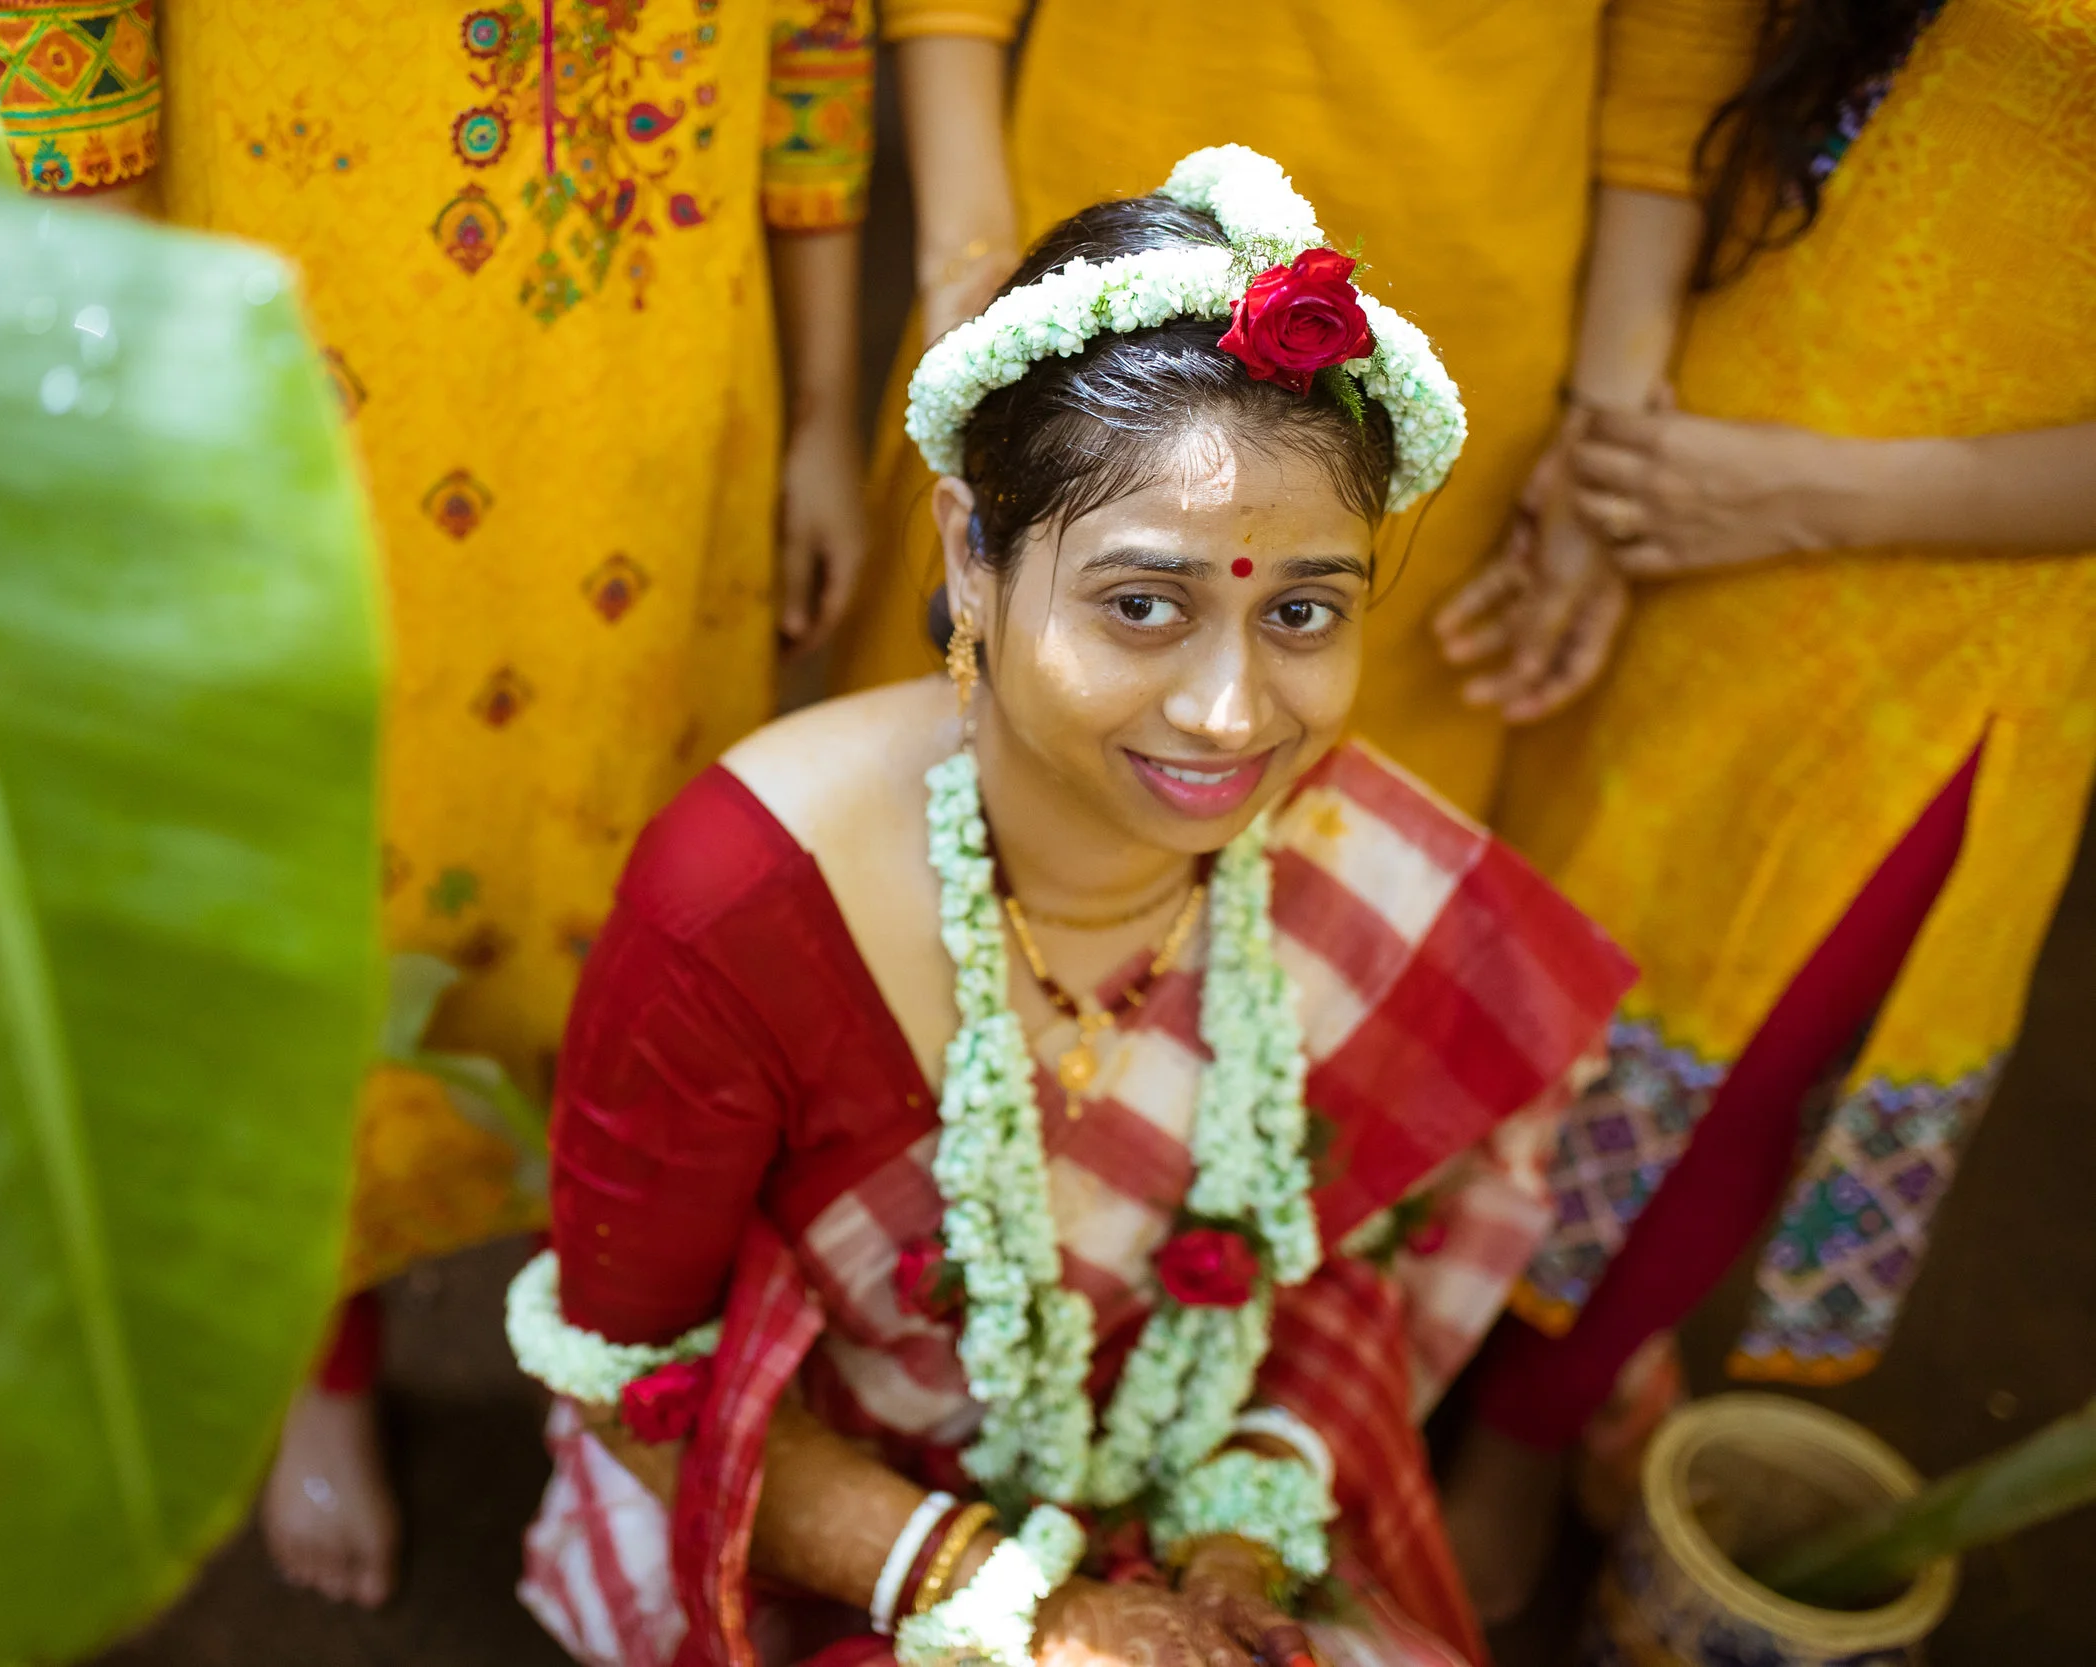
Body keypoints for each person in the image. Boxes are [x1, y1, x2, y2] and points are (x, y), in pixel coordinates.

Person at [505, 150, 1637, 1667]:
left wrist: (1236, 1538)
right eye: (1142, 603)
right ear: (973, 550)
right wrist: (1029, 1607)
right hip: (829, 1530)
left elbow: (1336, 1256)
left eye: (1301, 610)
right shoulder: (741, 905)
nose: (1234, 714)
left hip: (1191, 1471)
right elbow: (634, 1383)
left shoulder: (1332, 845)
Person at [0, 0, 879, 1607]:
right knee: (308, 899)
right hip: (298, 357)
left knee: (641, 898)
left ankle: (615, 1341)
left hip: (654, 385)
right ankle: (321, 1340)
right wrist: (129, 380)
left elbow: (816, 28)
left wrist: (820, 404)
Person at [1434, 0, 2096, 1619]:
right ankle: (1376, 1364)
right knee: (1504, 969)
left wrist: (1795, 493)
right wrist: (1618, 444)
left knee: (1730, 1066)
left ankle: (1510, 1451)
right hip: (1665, 445)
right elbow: (1683, 38)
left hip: (1955, 595)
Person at [826, 0, 1754, 819]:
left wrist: (1606, 438)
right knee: (955, 784)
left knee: (1324, 852)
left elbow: (1677, 58)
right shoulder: (1030, 331)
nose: (1221, 715)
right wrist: (969, 259)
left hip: (1465, 318)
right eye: (1147, 601)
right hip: (1083, 293)